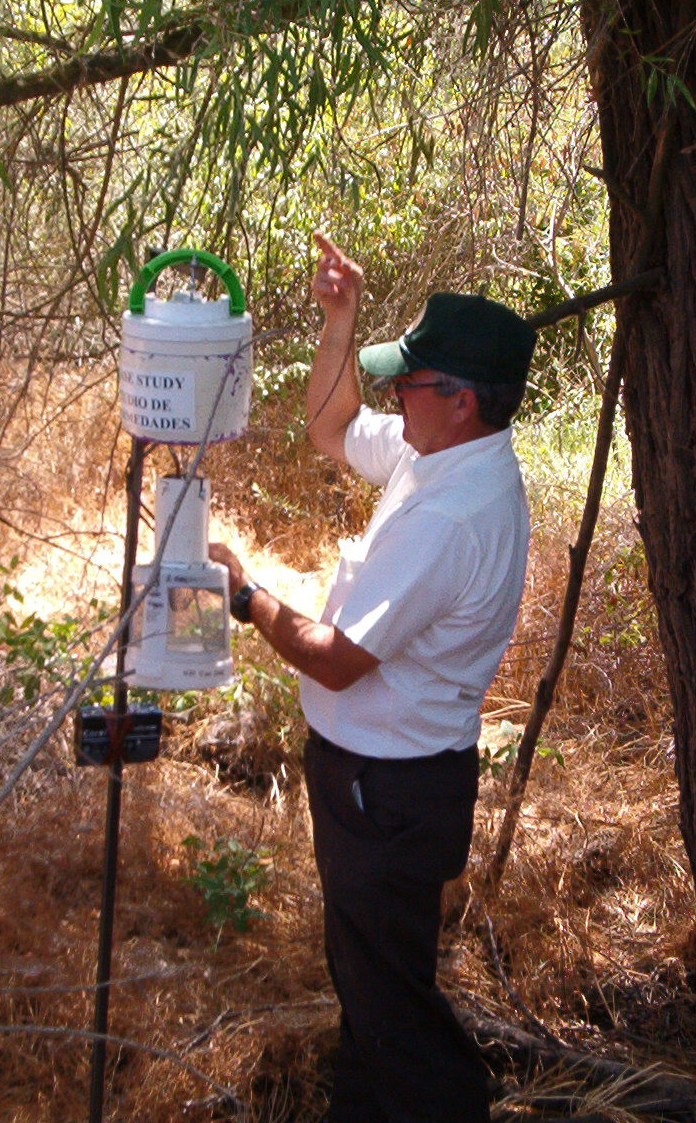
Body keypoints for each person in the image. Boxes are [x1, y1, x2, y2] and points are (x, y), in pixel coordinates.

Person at [207, 231, 535, 1123]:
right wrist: (338, 322)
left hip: (388, 793)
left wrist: (246, 598)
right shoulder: (441, 456)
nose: (396, 391)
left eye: (413, 381)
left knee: (392, 1006)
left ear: (462, 401)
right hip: (389, 785)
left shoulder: (454, 516)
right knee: (371, 979)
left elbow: (336, 659)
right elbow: (330, 428)